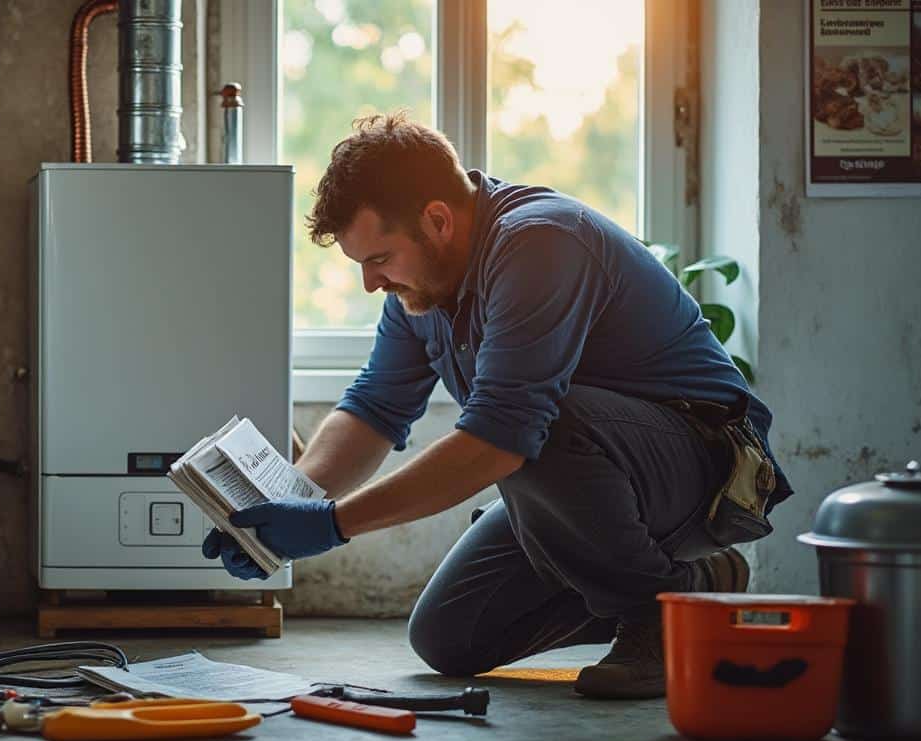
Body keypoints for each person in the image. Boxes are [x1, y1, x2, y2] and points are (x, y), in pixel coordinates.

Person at [201, 113, 792, 699]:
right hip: (587, 475)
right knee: (449, 638)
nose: (370, 283)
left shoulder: (540, 242)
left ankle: (657, 614)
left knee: (536, 428)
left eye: (378, 259)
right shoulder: (420, 293)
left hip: (707, 469)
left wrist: (332, 526)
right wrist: (287, 502)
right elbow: (374, 410)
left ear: (437, 220)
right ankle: (690, 587)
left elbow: (502, 438)